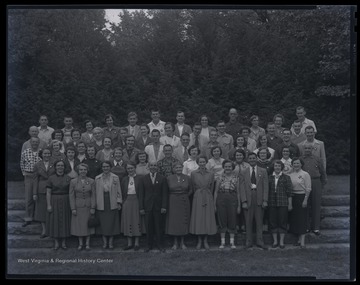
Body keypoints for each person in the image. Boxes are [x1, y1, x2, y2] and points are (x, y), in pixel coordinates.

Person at [240, 152, 269, 250]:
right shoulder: (244, 171)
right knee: (248, 221)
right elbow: (242, 187)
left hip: (259, 198)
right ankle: (248, 242)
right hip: (248, 198)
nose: (252, 160)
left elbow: (266, 186)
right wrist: (243, 201)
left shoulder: (263, 171)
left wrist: (265, 200)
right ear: (248, 160)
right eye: (250, 158)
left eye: (253, 158)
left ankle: (260, 241)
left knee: (259, 221)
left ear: (256, 159)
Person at [139, 161, 168, 252]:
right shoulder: (143, 178)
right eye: (151, 165)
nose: (153, 167)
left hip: (158, 207)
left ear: (157, 167)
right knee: (148, 227)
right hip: (147, 206)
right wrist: (141, 207)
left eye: (155, 165)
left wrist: (164, 206)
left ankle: (160, 245)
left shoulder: (162, 178)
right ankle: (148, 245)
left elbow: (165, 194)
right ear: (148, 167)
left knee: (159, 227)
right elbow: (141, 194)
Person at [189, 156, 217, 249]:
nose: (202, 164)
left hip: (208, 196)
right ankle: (199, 240)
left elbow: (212, 187)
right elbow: (192, 187)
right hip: (198, 196)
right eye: (200, 162)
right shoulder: (193, 173)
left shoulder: (211, 173)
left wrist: (209, 195)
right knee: (199, 218)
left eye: (203, 162)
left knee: (207, 218)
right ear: (197, 163)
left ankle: (205, 240)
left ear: (206, 162)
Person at [95, 161, 122, 249]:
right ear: (102, 168)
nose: (105, 168)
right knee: (103, 223)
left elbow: (118, 191)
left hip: (112, 201)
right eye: (104, 167)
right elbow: (95, 192)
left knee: (112, 223)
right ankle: (104, 242)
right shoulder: (97, 178)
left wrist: (118, 202)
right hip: (101, 202)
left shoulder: (115, 177)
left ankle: (111, 243)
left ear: (110, 167)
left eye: (107, 166)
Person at [214, 160, 241, 249]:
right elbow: (216, 191)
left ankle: (232, 242)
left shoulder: (236, 178)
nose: (228, 168)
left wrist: (239, 205)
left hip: (232, 197)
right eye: (226, 166)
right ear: (223, 167)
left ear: (232, 168)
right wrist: (215, 204)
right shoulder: (219, 177)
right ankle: (223, 242)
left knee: (232, 218)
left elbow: (238, 193)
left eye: (229, 166)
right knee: (222, 218)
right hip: (221, 198)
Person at [301, 144, 327, 235]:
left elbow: (322, 172)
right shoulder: (300, 159)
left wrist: (322, 183)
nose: (307, 149)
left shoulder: (317, 159)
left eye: (309, 148)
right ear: (303, 149)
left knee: (316, 204)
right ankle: (306, 226)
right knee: (305, 204)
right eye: (306, 148)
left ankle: (316, 227)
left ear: (312, 149)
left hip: (315, 182)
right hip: (304, 183)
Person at [166, 162, 193, 250]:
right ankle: (175, 243)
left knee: (183, 221)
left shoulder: (187, 178)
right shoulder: (169, 178)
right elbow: (166, 190)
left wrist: (184, 196)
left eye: (180, 167)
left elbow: (191, 190)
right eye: (176, 168)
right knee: (174, 222)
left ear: (182, 168)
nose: (178, 169)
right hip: (173, 201)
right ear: (173, 169)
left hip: (184, 201)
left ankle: (182, 242)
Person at [46, 160, 72, 250]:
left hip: (66, 201)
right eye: (58, 165)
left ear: (64, 167)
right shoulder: (51, 178)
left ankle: (64, 243)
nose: (60, 167)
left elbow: (71, 192)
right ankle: (56, 243)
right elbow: (48, 192)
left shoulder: (68, 178)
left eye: (62, 165)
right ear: (55, 167)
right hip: (54, 200)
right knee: (55, 221)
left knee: (65, 220)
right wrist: (49, 205)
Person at [69, 163, 96, 250]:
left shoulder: (92, 181)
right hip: (78, 206)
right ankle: (80, 244)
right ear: (78, 171)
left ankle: (87, 244)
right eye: (81, 170)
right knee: (79, 225)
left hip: (88, 206)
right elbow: (71, 196)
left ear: (87, 171)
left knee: (87, 225)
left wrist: (93, 207)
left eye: (84, 170)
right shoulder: (73, 181)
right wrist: (73, 208)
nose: (83, 171)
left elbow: (93, 195)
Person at [268, 160, 293, 249]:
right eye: (275, 166)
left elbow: (289, 192)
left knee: (283, 221)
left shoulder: (286, 178)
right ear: (273, 167)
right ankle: (275, 241)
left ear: (281, 167)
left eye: (279, 166)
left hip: (283, 202)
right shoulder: (269, 177)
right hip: (272, 203)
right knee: (273, 222)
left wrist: (290, 204)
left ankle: (281, 241)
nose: (277, 167)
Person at [121, 162, 145, 251]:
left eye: (132, 168)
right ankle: (129, 243)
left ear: (135, 168)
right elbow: (122, 192)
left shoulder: (140, 178)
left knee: (136, 220)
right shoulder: (124, 179)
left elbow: (142, 192)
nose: (130, 170)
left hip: (136, 201)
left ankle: (137, 243)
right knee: (128, 221)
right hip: (127, 201)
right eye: (128, 168)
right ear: (126, 170)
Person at [288, 157, 312, 248]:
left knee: (302, 219)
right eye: (294, 163)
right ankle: (298, 240)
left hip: (302, 197)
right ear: (292, 165)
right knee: (296, 220)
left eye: (298, 163)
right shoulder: (291, 175)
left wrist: (305, 200)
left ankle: (302, 242)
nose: (296, 165)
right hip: (293, 197)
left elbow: (308, 188)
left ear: (301, 164)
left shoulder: (305, 174)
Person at [33, 147, 55, 237]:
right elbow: (35, 180)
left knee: (52, 209)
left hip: (53, 188)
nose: (47, 155)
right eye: (45, 153)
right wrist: (34, 193)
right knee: (42, 210)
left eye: (48, 153)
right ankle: (44, 230)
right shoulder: (37, 165)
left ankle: (52, 229)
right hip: (41, 189)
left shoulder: (55, 163)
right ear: (41, 155)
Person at [20, 137, 42, 227]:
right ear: (30, 142)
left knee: (39, 197)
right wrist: (24, 173)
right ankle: (28, 218)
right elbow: (22, 163)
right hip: (29, 176)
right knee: (29, 198)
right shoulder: (26, 152)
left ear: (39, 143)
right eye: (33, 142)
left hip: (39, 176)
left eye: (36, 142)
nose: (35, 143)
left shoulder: (41, 152)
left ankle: (39, 218)